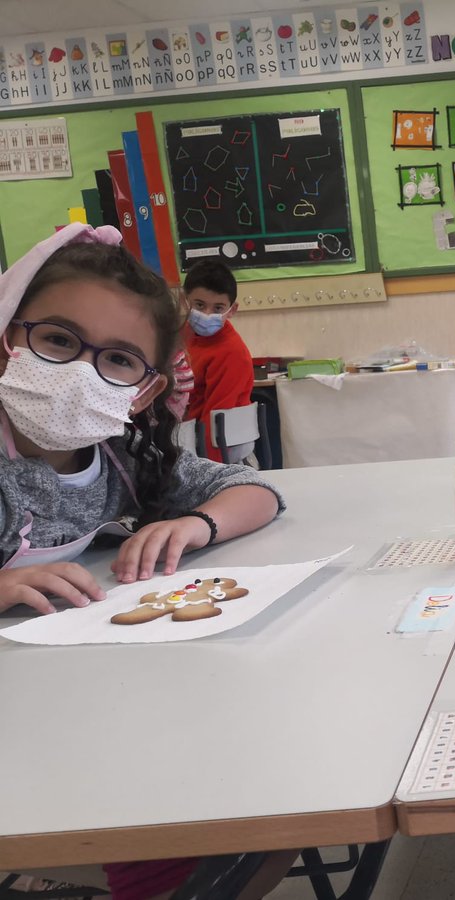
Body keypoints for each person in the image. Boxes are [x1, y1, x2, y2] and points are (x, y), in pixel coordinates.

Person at [0, 223, 288, 898]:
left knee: (248, 778)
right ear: (11, 340)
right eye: (59, 340)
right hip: (31, 733)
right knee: (160, 798)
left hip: (70, 692)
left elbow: (258, 494)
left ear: (147, 391)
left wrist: (193, 525)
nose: (79, 371)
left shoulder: (124, 457)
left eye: (120, 359)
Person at [182, 259, 254, 462]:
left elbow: (216, 422)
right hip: (187, 436)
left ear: (232, 310)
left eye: (218, 308)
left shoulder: (232, 353)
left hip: (220, 450)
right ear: (184, 300)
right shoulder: (182, 334)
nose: (206, 315)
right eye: (199, 305)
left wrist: (208, 469)